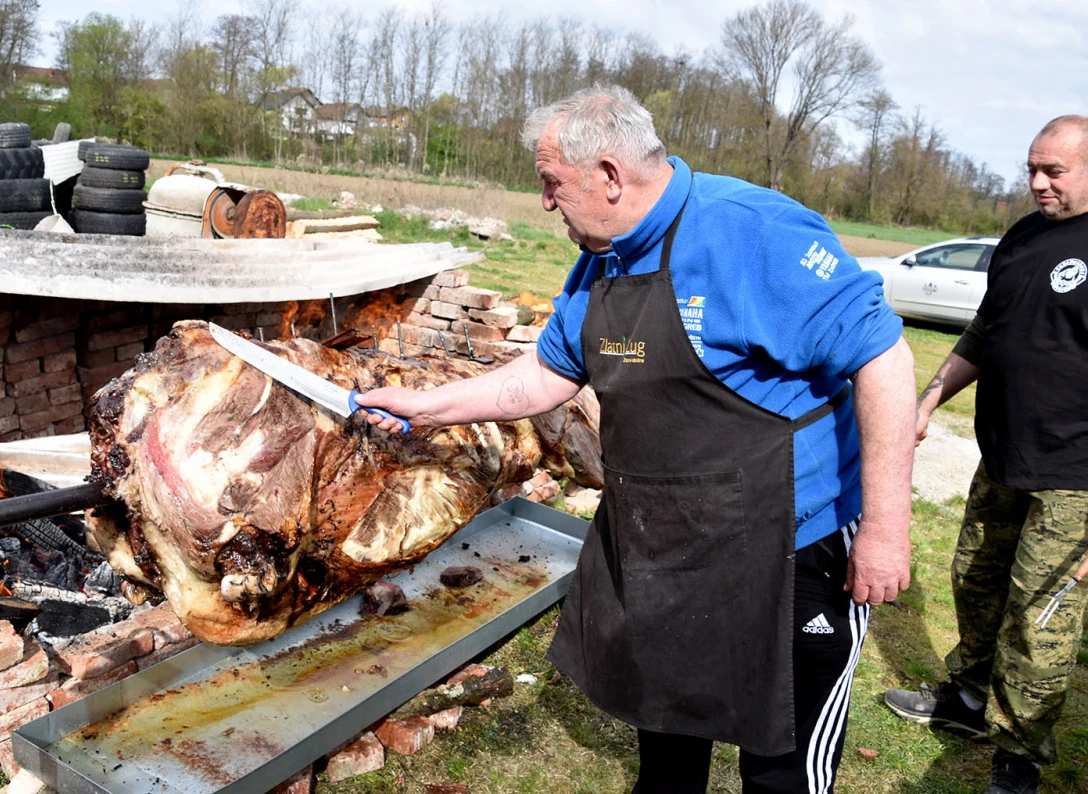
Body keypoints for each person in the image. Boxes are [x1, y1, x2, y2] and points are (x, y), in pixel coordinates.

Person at [356, 85, 915, 793]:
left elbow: (885, 361)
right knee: (669, 743)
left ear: (610, 176)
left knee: (782, 768)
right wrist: (426, 407)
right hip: (669, 549)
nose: (546, 204)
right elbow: (544, 377)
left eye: (552, 185)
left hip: (787, 546)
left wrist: (888, 528)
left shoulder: (753, 231)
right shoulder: (603, 259)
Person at [884, 115, 1088, 794]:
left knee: (1040, 618)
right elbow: (989, 328)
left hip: (1073, 479)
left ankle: (1019, 753)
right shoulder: (1024, 235)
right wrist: (929, 398)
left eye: (1053, 172)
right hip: (1002, 455)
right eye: (1032, 168)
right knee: (975, 578)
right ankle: (967, 700)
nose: (1036, 183)